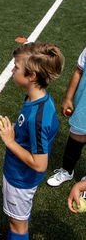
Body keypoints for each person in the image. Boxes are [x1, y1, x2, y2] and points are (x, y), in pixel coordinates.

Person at [0, 42, 63, 240]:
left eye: (16, 67)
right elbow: (27, 133)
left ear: (32, 76)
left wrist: (10, 141)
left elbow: (40, 164)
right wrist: (8, 128)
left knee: (17, 224)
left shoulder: (38, 117)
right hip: (18, 173)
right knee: (19, 218)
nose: (12, 69)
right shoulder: (34, 98)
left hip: (21, 179)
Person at [47, 47, 86, 187]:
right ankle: (67, 170)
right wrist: (68, 98)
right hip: (84, 105)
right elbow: (78, 72)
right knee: (75, 138)